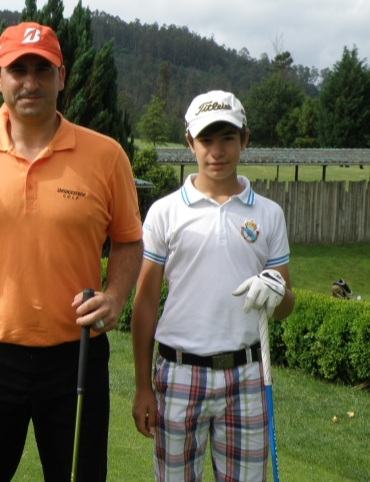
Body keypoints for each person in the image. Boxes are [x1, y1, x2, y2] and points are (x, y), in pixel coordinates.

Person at [0, 22, 144, 482]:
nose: (31, 82)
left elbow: (128, 238)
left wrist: (116, 297)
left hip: (77, 354)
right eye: (19, 69)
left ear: (62, 77)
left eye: (43, 69)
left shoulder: (106, 155)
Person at [131, 90, 296, 481]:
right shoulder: (165, 212)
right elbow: (145, 301)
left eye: (227, 138)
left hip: (247, 375)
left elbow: (286, 303)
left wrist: (277, 291)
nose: (216, 151)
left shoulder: (268, 214)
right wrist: (142, 386)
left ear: (245, 139)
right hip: (178, 372)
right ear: (190, 142)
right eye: (206, 139)